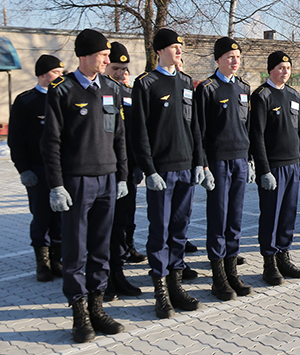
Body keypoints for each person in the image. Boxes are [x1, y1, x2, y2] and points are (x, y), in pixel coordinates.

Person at [40, 29, 128, 343]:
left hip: (106, 178)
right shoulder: (62, 90)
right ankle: (79, 312)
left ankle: (97, 305)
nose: (108, 59)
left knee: (101, 248)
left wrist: (122, 175)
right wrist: (56, 185)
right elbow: (50, 142)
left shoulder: (111, 89)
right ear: (85, 56)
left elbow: (118, 136)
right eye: (103, 55)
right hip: (77, 181)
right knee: (76, 250)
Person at [131, 28, 206, 319]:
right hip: (161, 171)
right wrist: (148, 169)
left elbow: (195, 127)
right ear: (159, 51)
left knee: (179, 230)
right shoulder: (146, 84)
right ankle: (160, 291)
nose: (179, 51)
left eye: (181, 47)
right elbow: (139, 132)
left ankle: (176, 284)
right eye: (174, 46)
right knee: (159, 232)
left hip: (185, 168)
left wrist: (198, 161)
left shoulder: (187, 82)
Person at [194, 36, 254, 301]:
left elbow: (247, 126)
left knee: (235, 219)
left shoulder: (244, 87)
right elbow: (199, 130)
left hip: (240, 159)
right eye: (230, 57)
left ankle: (231, 271)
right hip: (217, 161)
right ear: (218, 60)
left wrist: (250, 159)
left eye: (238, 56)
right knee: (218, 218)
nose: (235, 61)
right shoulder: (207, 88)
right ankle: (218, 277)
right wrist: (203, 164)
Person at [250, 51, 300, 286]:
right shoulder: (262, 96)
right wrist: (264, 170)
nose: (285, 71)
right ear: (270, 70)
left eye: (288, 67)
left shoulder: (293, 94)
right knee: (271, 216)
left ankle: (284, 256)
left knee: (287, 215)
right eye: (280, 67)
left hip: (293, 165)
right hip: (273, 168)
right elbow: (257, 136)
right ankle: (269, 263)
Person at [9, 54, 65, 283]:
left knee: (61, 216)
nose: (61, 77)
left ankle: (57, 259)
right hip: (37, 169)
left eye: (62, 73)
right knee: (42, 216)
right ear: (42, 75)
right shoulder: (26, 101)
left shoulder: (63, 97)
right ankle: (42, 263)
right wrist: (23, 169)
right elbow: (15, 139)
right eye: (56, 73)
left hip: (61, 170)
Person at [102, 42, 143, 301]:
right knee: (104, 229)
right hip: (104, 171)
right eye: (116, 68)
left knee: (121, 225)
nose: (120, 73)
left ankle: (117, 274)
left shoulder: (128, 94)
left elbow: (137, 134)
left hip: (126, 172)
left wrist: (137, 166)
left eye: (124, 69)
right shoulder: (100, 92)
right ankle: (104, 279)